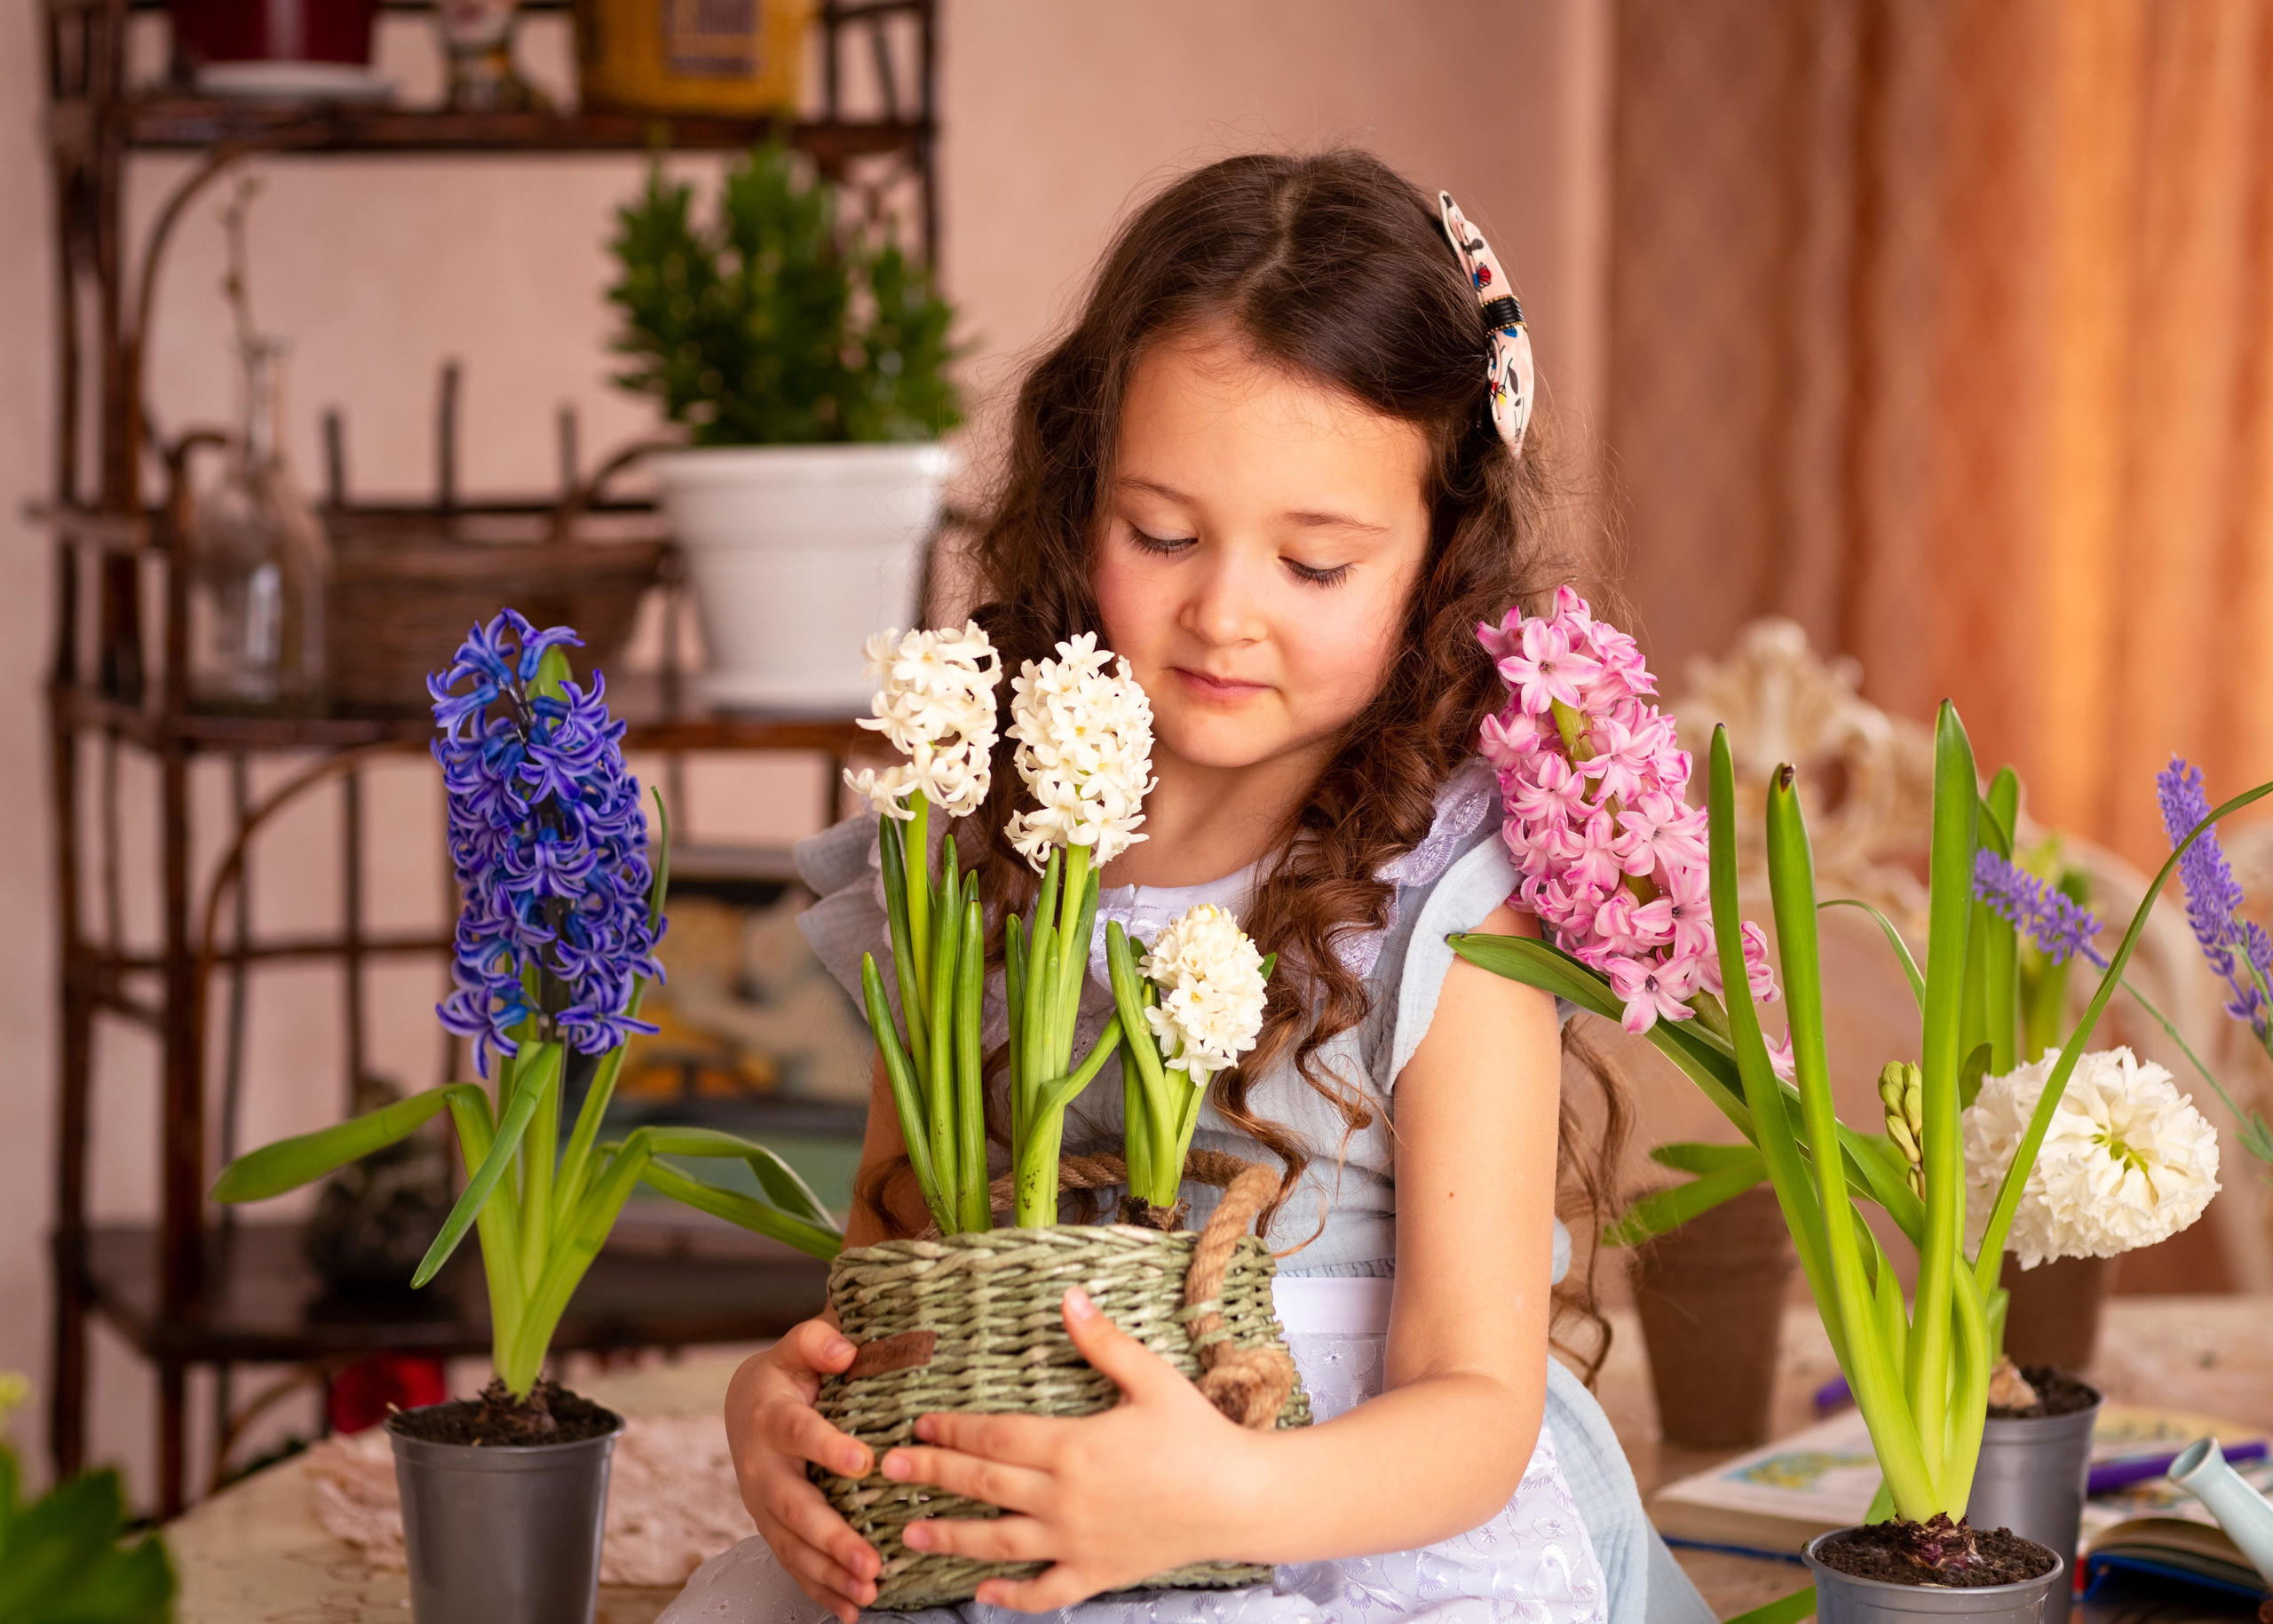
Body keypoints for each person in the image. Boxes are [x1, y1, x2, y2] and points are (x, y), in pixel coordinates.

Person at [662, 149, 1713, 1624]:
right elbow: (890, 1271)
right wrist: (779, 1411)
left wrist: (1215, 1495)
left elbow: (1478, 1402)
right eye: (1162, 534)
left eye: (1315, 562)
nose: (1223, 610)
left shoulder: (1449, 890)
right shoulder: (985, 836)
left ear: (1438, 559)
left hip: (1342, 1507)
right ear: (1081, 491)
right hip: (1028, 1489)